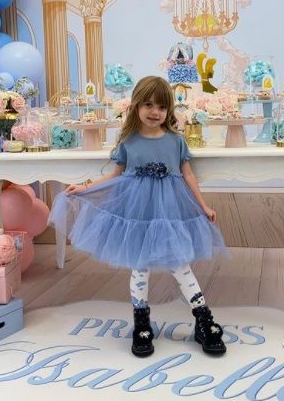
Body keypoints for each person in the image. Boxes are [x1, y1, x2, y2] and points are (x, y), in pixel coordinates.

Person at [49, 76, 228, 357]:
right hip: (137, 212)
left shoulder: (176, 141)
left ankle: (203, 319)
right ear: (136, 106)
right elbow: (115, 176)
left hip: (170, 211)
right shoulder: (129, 142)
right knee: (140, 265)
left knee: (180, 263)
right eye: (148, 105)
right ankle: (141, 323)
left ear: (169, 110)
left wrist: (203, 205)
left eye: (161, 107)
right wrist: (86, 188)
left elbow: (187, 174)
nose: (155, 112)